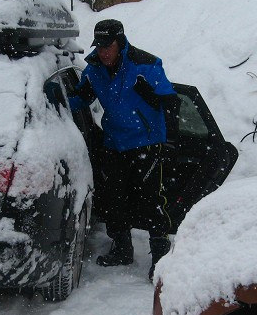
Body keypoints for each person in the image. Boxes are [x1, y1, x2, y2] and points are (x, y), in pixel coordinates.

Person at [69, 19, 180, 280]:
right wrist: (55, 98)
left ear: (121, 42)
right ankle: (122, 248)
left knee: (153, 201)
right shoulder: (94, 67)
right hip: (114, 142)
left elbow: (171, 102)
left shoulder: (145, 64)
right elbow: (81, 97)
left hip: (146, 142)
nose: (103, 52)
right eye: (100, 46)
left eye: (108, 46)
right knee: (113, 199)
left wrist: (153, 100)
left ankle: (161, 257)